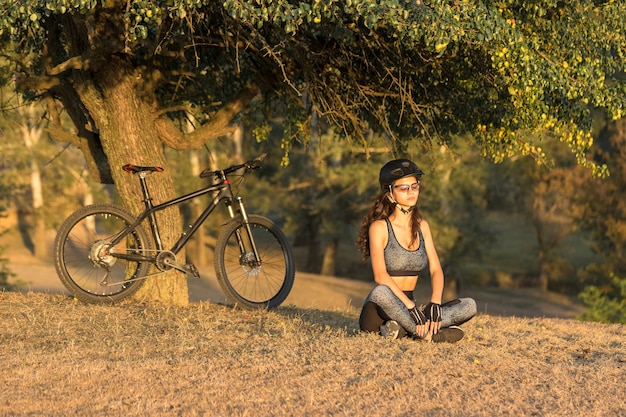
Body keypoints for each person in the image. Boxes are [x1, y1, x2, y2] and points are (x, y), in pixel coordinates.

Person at [357, 159, 476, 342]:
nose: (411, 191)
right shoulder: (379, 227)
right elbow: (380, 276)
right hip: (382, 308)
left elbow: (436, 270)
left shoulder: (422, 226)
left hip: (411, 311)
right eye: (403, 188)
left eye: (414, 186)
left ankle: (402, 331)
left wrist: (435, 302)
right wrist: (411, 308)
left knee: (469, 305)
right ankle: (430, 335)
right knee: (380, 291)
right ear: (390, 194)